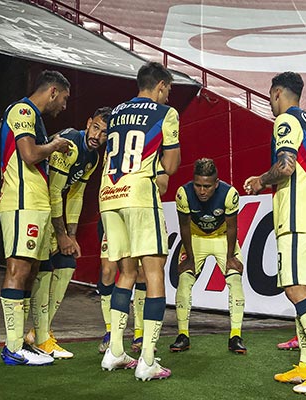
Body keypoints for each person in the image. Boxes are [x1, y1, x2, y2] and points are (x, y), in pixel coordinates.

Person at [244, 72, 306, 394]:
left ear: (276, 93)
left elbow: (285, 166)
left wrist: (260, 179)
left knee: (295, 290)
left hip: (297, 217)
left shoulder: (286, 120)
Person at [99, 61, 180, 381]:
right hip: (139, 195)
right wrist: (160, 168)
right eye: (168, 89)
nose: (168, 95)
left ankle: (115, 352)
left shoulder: (116, 112)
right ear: (160, 86)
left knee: (126, 272)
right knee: (154, 271)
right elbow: (171, 164)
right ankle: (148, 358)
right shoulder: (165, 113)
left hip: (108, 194)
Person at [0, 70, 71, 366]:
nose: (64, 106)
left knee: (33, 272)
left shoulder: (37, 120)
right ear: (52, 91)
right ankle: (13, 347)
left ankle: (24, 345)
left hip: (37, 204)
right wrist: (54, 145)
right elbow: (28, 154)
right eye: (64, 99)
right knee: (18, 269)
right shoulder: (23, 110)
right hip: (21, 202)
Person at [27, 107, 111, 359]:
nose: (97, 135)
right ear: (88, 122)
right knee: (39, 269)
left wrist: (71, 235)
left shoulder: (93, 158)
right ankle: (38, 336)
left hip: (48, 207)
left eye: (104, 132)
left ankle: (39, 333)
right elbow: (54, 192)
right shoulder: (71, 144)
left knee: (66, 263)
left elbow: (75, 194)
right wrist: (62, 235)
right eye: (95, 127)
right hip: (35, 204)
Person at [170, 158, 247, 354]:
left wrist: (230, 257)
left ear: (216, 183)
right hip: (195, 237)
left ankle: (235, 336)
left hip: (222, 237)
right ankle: (183, 335)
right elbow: (184, 226)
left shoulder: (229, 194)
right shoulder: (183, 194)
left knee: (235, 279)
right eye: (198, 185)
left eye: (207, 186)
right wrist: (189, 257)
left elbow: (232, 227)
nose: (202, 191)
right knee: (185, 280)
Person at [98, 169, 169, 354]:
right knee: (147, 273)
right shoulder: (152, 144)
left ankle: (134, 337)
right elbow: (163, 183)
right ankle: (144, 355)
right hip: (134, 204)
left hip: (113, 200)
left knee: (137, 274)